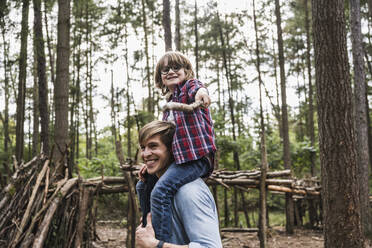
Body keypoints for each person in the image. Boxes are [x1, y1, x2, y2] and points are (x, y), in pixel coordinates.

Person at [136, 51, 217, 243]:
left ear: (187, 71)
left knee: (161, 191)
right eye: (165, 70)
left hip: (196, 159)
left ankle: (158, 240)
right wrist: (151, 161)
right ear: (160, 78)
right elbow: (168, 144)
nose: (171, 71)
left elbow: (197, 87)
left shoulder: (188, 90)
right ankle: (149, 223)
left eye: (176, 67)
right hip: (181, 161)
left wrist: (201, 93)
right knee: (143, 184)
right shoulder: (169, 107)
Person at [135, 120, 222, 248]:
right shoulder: (150, 186)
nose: (146, 154)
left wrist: (156, 245)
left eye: (153, 146)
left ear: (171, 150)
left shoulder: (189, 191)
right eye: (143, 148)